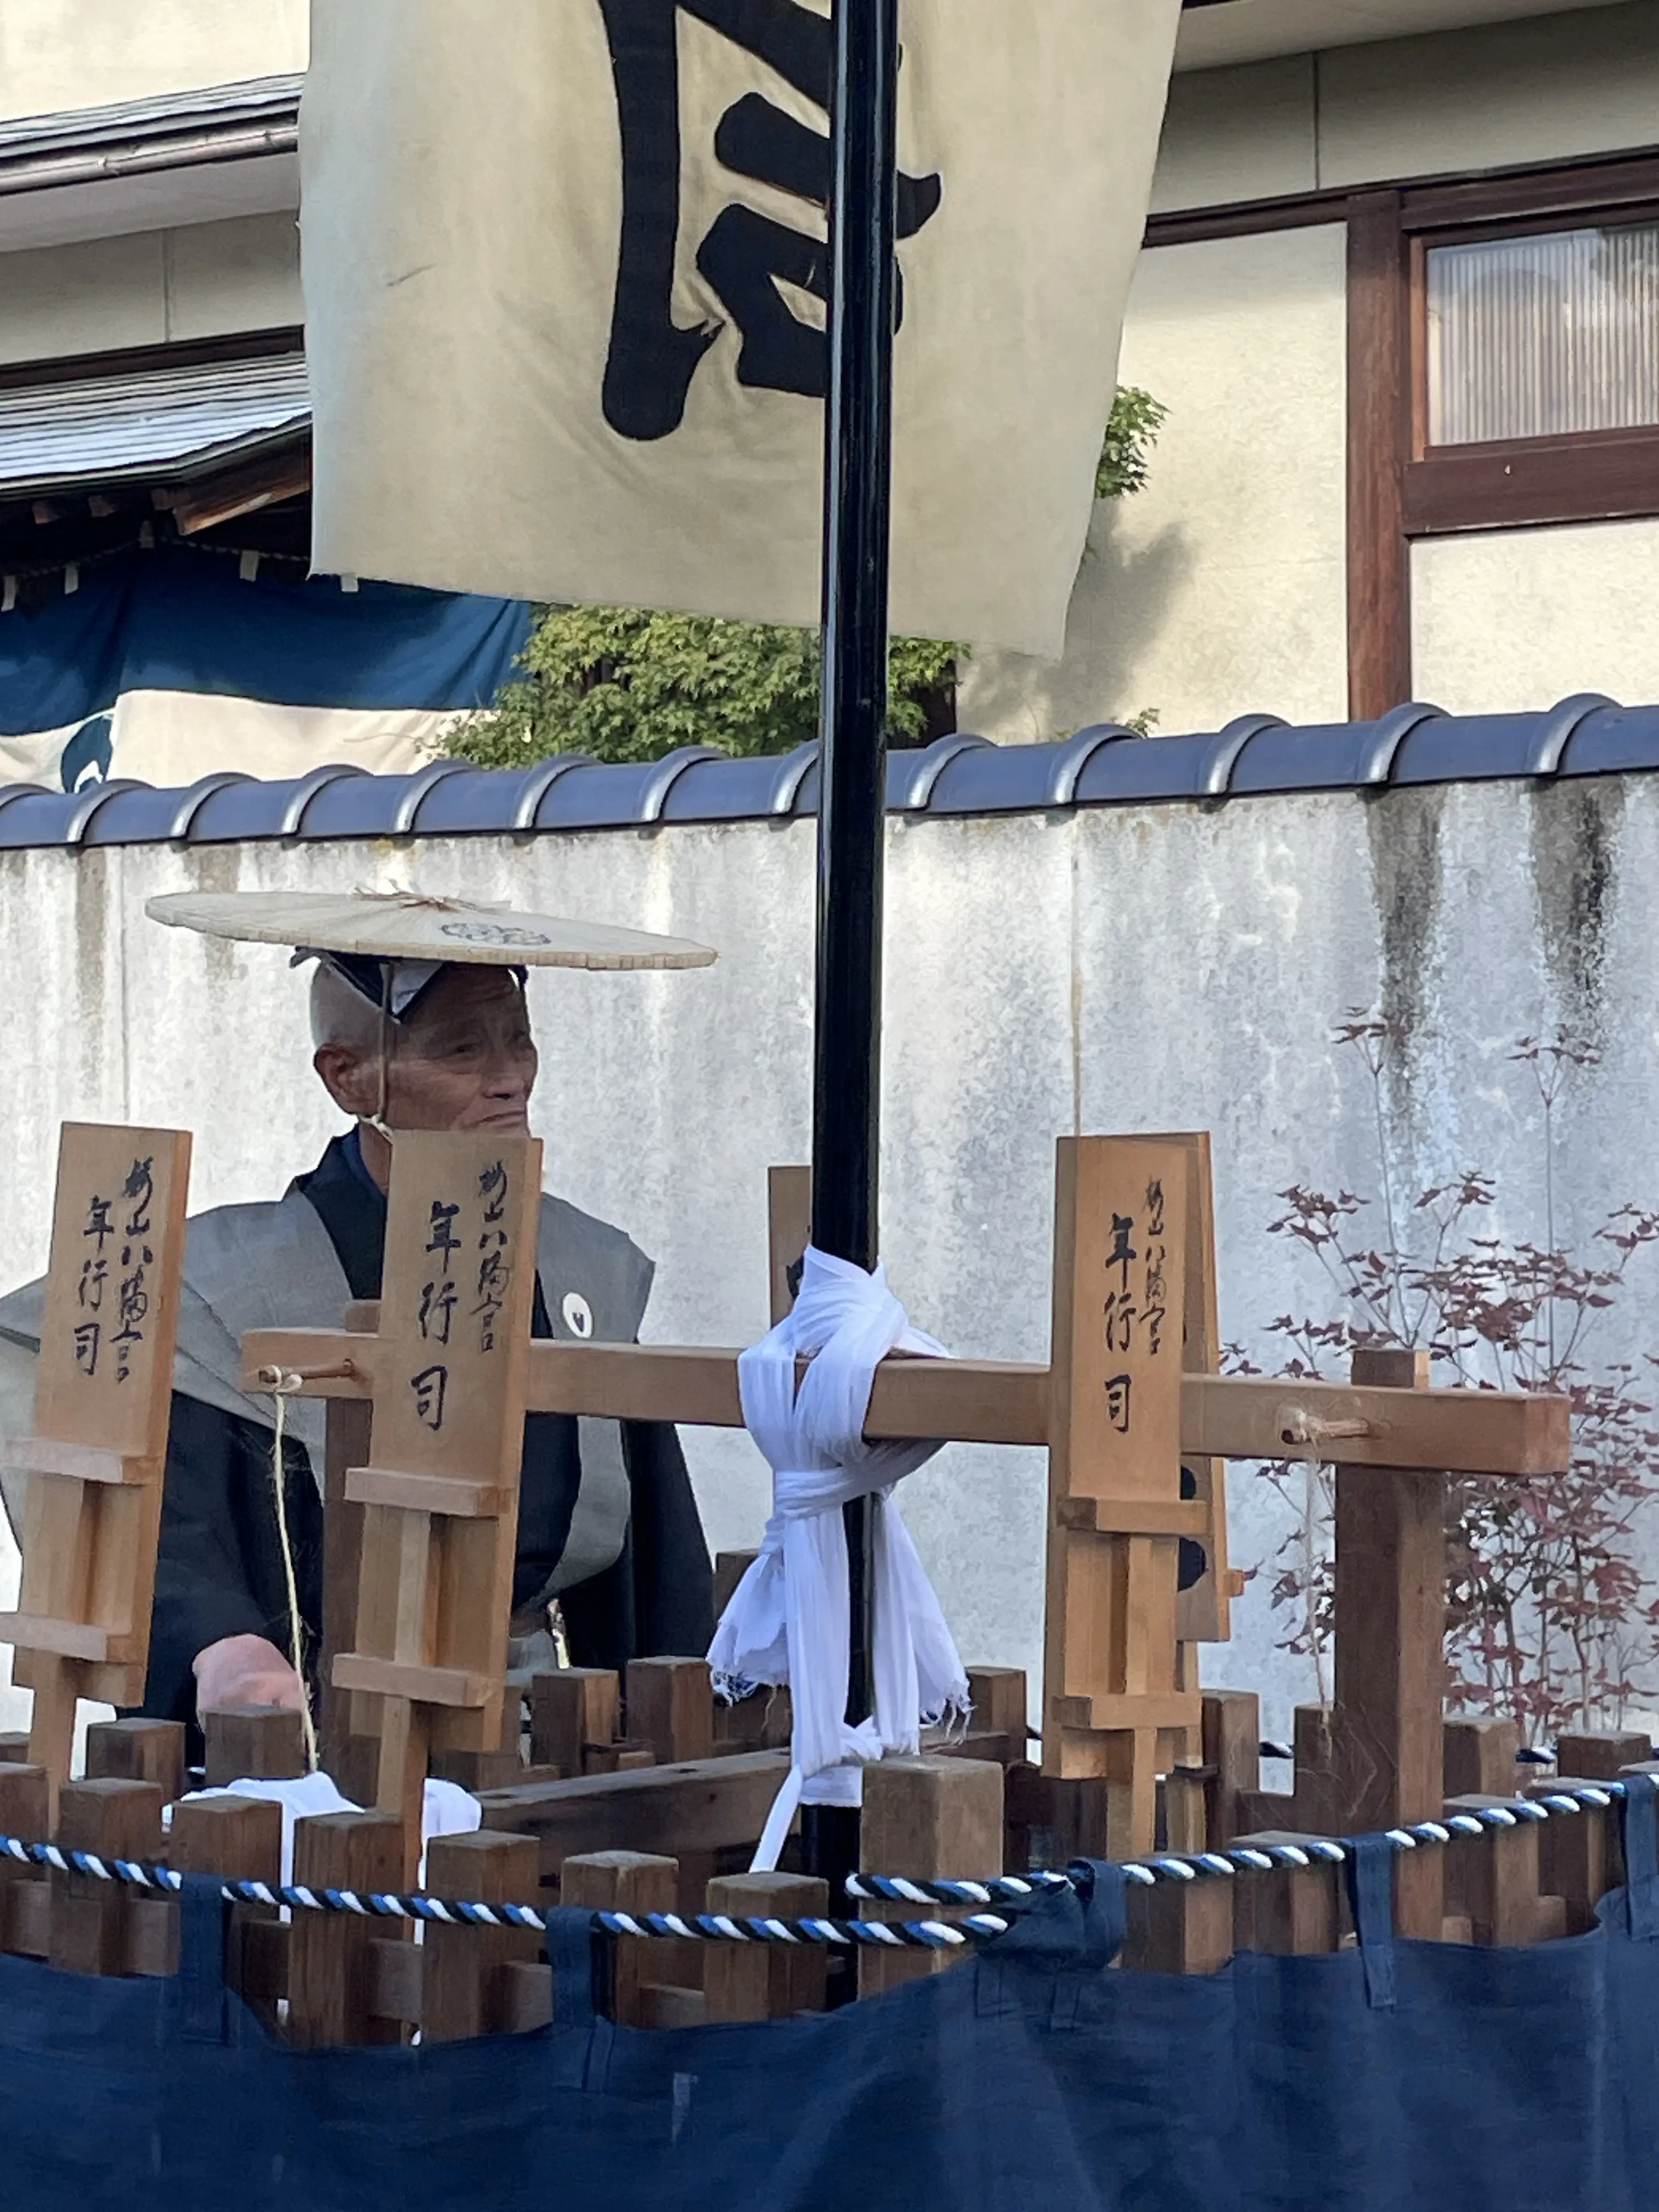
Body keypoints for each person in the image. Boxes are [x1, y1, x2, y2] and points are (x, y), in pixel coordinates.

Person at [0, 889, 718, 1738]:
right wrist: (219, 1646)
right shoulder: (219, 1290)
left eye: (517, 1038)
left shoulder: (579, 1270)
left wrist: (677, 1715)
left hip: (544, 1726)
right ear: (349, 1078)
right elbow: (171, 1528)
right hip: (293, 1729)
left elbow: (654, 1563)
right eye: (462, 1049)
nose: (509, 1077)